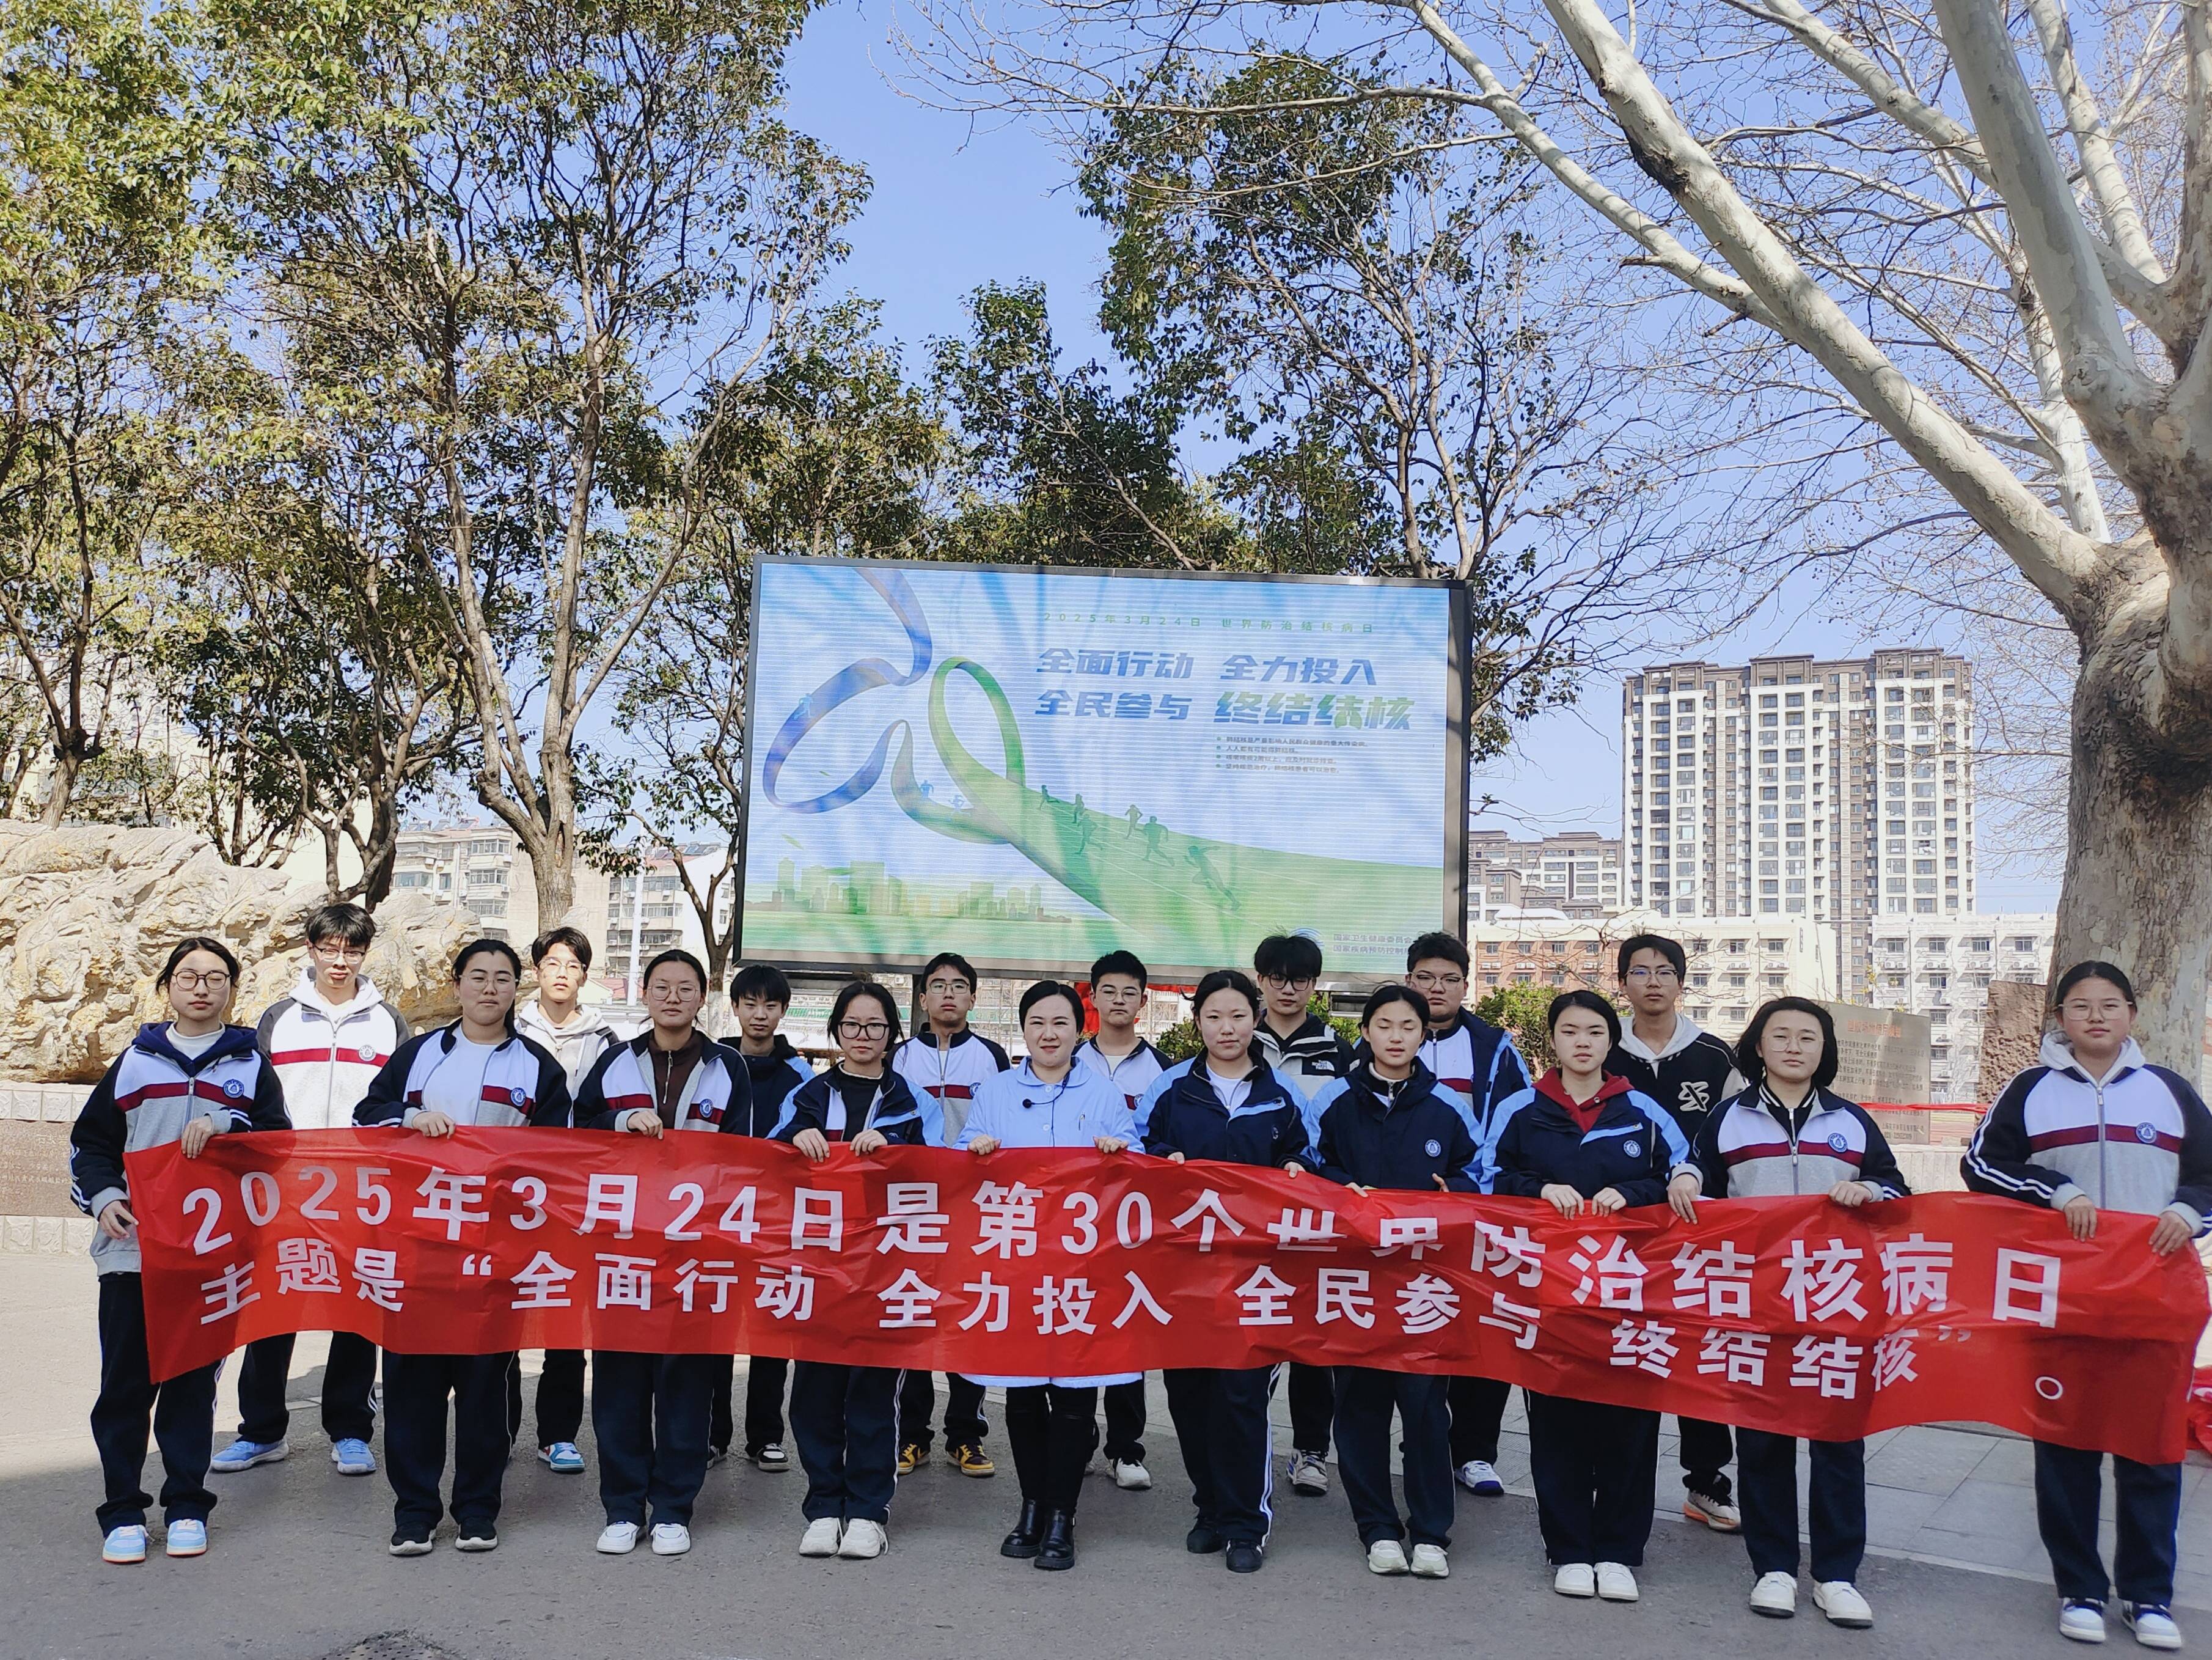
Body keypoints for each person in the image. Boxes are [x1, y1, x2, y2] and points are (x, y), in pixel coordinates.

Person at [1962, 961, 2210, 1652]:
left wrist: (2190, 1210)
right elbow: (1980, 1166)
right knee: (2065, 1443)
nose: (2095, 1017)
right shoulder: (2030, 1090)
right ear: (2060, 1018)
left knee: (2150, 1446)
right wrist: (2053, 1189)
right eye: (2079, 1006)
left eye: (2109, 1005)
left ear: (2131, 1013)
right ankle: (2078, 1587)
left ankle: (2148, 1595)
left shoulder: (2169, 1091)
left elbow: (2208, 1175)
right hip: (2060, 1296)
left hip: (2152, 1295)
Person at [1668, 996, 1905, 1629]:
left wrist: (1869, 1189)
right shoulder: (1728, 1118)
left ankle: (1836, 1575)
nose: (1794, 1047)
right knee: (1763, 1441)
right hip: (1758, 1305)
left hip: (1835, 1306)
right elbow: (1696, 1169)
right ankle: (1772, 1568)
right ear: (1758, 1046)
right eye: (1781, 1036)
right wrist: (1685, 1179)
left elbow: (1897, 1189)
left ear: (1824, 1050)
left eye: (1807, 1037)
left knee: (1837, 1444)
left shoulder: (1852, 1121)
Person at [70, 936, 290, 1566]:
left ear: (231, 990)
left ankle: (188, 1504)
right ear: (168, 985)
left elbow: (279, 1145)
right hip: (134, 1254)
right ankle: (123, 1512)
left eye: (215, 977)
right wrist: (105, 1197)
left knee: (192, 1386)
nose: (201, 987)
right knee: (125, 1387)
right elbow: (90, 1145)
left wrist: (228, 1124)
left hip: (211, 1258)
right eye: (189, 976)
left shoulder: (251, 1066)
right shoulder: (135, 1062)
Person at [355, 938, 572, 1557]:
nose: (489, 988)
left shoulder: (536, 1066)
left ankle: (478, 1509)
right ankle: (415, 1512)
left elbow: (560, 1155)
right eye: (478, 976)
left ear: (515, 989)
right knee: (412, 1386)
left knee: (485, 1389)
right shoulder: (419, 1055)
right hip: (417, 1247)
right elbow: (366, 1115)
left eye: (502, 978)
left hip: (494, 1251)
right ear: (457, 985)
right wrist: (408, 1118)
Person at [1481, 989, 1685, 1605]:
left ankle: (1619, 1551)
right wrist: (1539, 1189)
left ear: (1610, 1041)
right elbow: (1486, 1180)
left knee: (1629, 1425)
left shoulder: (1642, 1109)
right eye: (1569, 1031)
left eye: (1594, 1031)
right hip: (1549, 1297)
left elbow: (1682, 1174)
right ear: (1553, 1039)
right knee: (1556, 1424)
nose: (1582, 1042)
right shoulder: (1520, 1108)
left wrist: (1636, 1192)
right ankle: (1568, 1548)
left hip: (1631, 1296)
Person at [214, 902, 409, 1482]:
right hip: (284, 1187)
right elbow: (250, 1097)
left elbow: (398, 1102)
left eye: (352, 951)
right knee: (273, 1307)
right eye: (329, 949)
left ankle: (350, 1430)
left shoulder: (389, 1023)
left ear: (365, 954)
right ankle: (261, 1431)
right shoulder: (279, 1019)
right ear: (311, 950)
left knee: (357, 1309)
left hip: (361, 1189)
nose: (340, 961)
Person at [1135, 969, 1319, 1574]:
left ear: (1255, 1020)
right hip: (1183, 1274)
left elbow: (1305, 1155)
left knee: (1241, 1398)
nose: (1226, 1027)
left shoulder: (1281, 1095)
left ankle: (1245, 1523)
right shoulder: (1171, 1090)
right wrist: (1162, 1161)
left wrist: (1296, 1168)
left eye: (1237, 1015)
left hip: (1255, 1275)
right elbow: (1136, 1157)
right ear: (1197, 1023)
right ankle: (1209, 1508)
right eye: (1213, 1016)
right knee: (1188, 1397)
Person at [572, 948, 753, 1559]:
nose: (673, 997)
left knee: (686, 1383)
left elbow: (744, 1153)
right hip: (621, 1249)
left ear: (702, 997)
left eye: (685, 988)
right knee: (619, 1383)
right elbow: (573, 1138)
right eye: (661, 987)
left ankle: (674, 1507)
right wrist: (618, 1126)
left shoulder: (729, 1066)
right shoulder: (612, 1063)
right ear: (645, 994)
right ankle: (624, 1507)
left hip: (696, 1251)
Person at [961, 980, 1140, 1571]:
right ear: (1022, 1030)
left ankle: (1063, 1515)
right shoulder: (995, 1091)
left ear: (1078, 1029)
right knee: (1020, 1397)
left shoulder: (1103, 1093)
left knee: (1073, 1397)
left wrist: (1118, 1154)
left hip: (1081, 1272)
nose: (1048, 1033)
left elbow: (1138, 1169)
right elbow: (957, 1160)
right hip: (1015, 1267)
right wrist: (975, 1150)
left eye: (1060, 1022)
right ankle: (1032, 1506)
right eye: (1036, 1022)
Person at [1306, 985, 1479, 1580]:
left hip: (1423, 1284)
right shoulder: (1335, 1101)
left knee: (1426, 1411)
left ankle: (1430, 1533)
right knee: (1359, 1410)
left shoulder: (1447, 1106)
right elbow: (1307, 1166)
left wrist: (1454, 1191)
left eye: (1408, 1026)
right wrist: (1338, 1187)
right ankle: (1377, 1528)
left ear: (1423, 1035)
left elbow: (1478, 1173)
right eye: (1384, 1024)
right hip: (1354, 1281)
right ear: (1366, 1033)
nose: (1396, 1036)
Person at [777, 980, 937, 1560]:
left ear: (892, 1033)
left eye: (875, 1026)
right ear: (836, 1030)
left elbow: (941, 1171)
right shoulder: (807, 1094)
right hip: (817, 1268)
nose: (863, 1035)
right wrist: (794, 1137)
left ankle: (869, 1511)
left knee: (873, 1394)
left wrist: (897, 1149)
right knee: (814, 1393)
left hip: (886, 1270)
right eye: (852, 1024)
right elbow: (765, 1160)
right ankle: (823, 1506)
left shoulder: (914, 1101)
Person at [1608, 931, 1747, 1535]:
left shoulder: (1714, 1056)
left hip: (1697, 1233)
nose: (1653, 981)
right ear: (1623, 983)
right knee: (1624, 1353)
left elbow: (1737, 1140)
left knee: (1697, 1357)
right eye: (1640, 971)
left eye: (1665, 971)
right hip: (1619, 1230)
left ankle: (1706, 1482)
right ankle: (1615, 1480)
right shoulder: (1600, 1046)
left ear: (1681, 982)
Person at [1404, 930, 1531, 1498]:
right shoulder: (1383, 1035)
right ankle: (1422, 1445)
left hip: (1476, 1213)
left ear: (1465, 985)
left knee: (1483, 1329)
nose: (1437, 988)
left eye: (1449, 979)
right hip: (1403, 1218)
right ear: (1409, 981)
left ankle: (1475, 1452)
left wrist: (1471, 1184)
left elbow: (1516, 1121)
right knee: (1418, 1325)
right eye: (1426, 978)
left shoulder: (1495, 1048)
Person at [891, 950, 1008, 1480]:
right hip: (912, 1204)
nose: (948, 994)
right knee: (915, 1314)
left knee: (968, 1316)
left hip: (972, 1205)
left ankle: (966, 1434)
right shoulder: (899, 1056)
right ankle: (912, 1435)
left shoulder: (991, 1056)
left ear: (973, 998)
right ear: (923, 998)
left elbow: (1002, 1122)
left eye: (959, 986)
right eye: (938, 985)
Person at [510, 924, 618, 1476]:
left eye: (573, 966)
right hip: (511, 1192)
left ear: (584, 976)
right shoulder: (508, 1029)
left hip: (578, 1194)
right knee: (505, 1313)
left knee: (568, 1318)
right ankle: (500, 1429)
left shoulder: (606, 1040)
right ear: (537, 971)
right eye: (552, 962)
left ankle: (558, 1435)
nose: (562, 973)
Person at [1250, 931, 1353, 1497]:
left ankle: (1311, 1451)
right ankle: (1249, 1445)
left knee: (1314, 1339)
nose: (1288, 989)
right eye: (1278, 978)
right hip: (1251, 1218)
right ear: (1260, 980)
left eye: (1301, 980)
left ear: (1315, 985)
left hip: (1319, 1215)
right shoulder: (1240, 1039)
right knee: (1256, 1332)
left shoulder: (1339, 1052)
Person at [713, 961, 815, 1473]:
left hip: (777, 1217)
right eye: (750, 1003)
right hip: (715, 1216)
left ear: (783, 1011)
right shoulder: (712, 1061)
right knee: (715, 1327)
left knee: (772, 1328)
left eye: (770, 1005)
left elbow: (812, 1131)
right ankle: (713, 1435)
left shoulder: (801, 1074)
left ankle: (766, 1437)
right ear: (735, 1007)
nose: (760, 1014)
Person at [1074, 948, 1165, 1491]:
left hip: (1134, 1219)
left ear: (1143, 1002)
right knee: (1080, 1324)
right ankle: (1080, 1439)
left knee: (1130, 1327)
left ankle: (1126, 1448)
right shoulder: (1068, 1061)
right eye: (1108, 990)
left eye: (1129, 992)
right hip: (1076, 1219)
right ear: (1093, 997)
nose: (1118, 1000)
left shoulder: (1163, 1071)